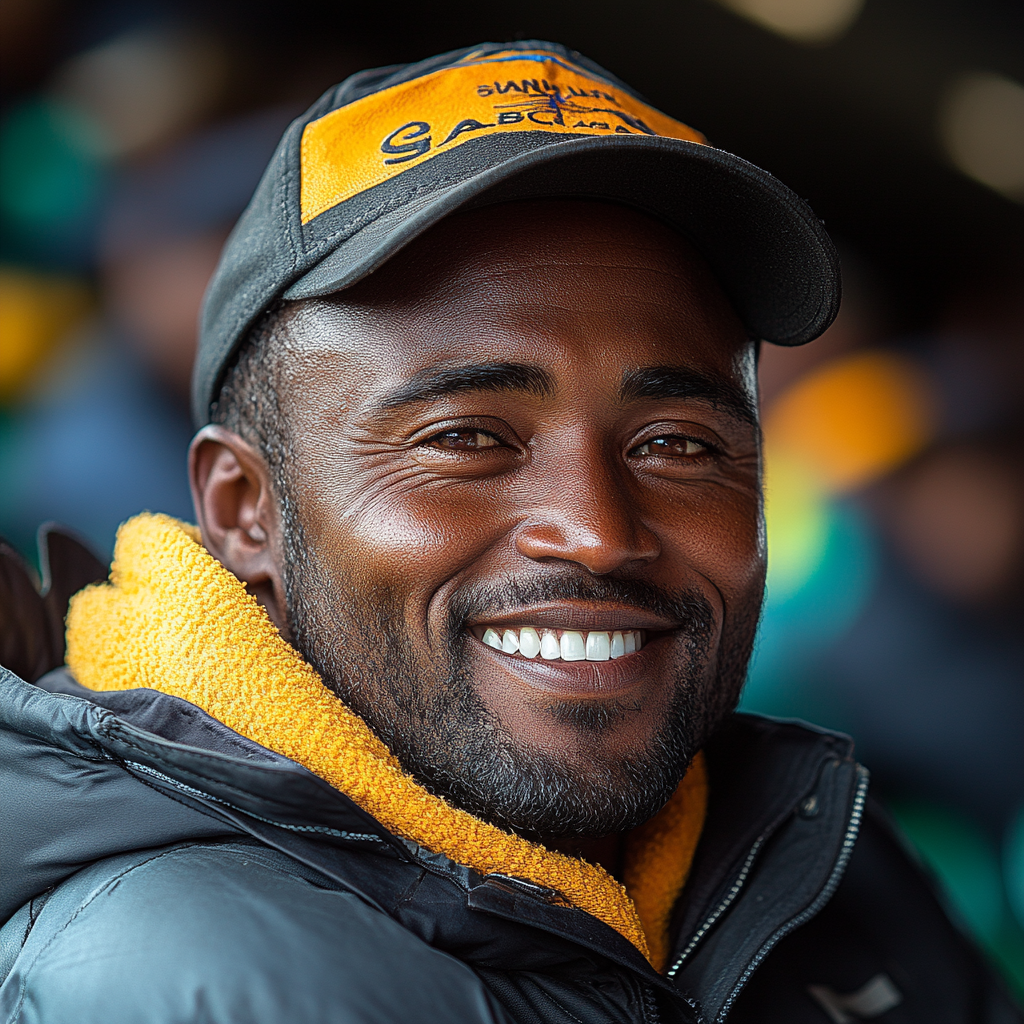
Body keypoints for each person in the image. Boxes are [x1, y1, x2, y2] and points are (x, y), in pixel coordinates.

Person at [0, 41, 1018, 1024]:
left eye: (676, 443)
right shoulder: (190, 976)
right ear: (241, 512)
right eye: (468, 436)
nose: (596, 531)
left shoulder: (826, 855)